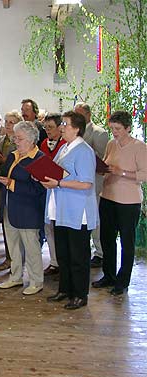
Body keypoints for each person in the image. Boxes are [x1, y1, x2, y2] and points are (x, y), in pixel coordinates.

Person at [41, 111, 98, 310]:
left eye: (65, 124)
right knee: (63, 254)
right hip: (61, 208)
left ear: (76, 128)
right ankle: (65, 289)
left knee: (78, 256)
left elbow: (86, 184)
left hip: (77, 210)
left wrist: (58, 182)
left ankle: (80, 294)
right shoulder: (64, 147)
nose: (61, 127)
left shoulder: (84, 150)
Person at [92, 111, 147, 295]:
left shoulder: (139, 147)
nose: (114, 132)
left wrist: (121, 172)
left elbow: (144, 175)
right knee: (107, 239)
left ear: (128, 128)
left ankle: (123, 281)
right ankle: (109, 275)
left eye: (118, 129)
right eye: (112, 128)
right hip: (108, 196)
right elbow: (107, 165)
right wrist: (102, 169)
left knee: (126, 241)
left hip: (128, 201)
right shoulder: (110, 144)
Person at [0, 121, 46, 295]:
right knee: (13, 246)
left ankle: (36, 281)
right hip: (9, 207)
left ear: (32, 140)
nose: (15, 141)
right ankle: (15, 277)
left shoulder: (39, 159)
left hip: (28, 210)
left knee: (31, 248)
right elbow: (3, 176)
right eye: (14, 137)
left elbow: (38, 189)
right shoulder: (13, 155)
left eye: (19, 138)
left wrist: (12, 184)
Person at [74, 102, 110, 268]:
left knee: (95, 219)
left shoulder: (99, 132)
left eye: (80, 114)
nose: (77, 118)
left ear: (88, 115)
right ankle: (86, 249)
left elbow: (102, 159)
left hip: (94, 181)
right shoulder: (75, 132)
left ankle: (100, 252)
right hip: (77, 183)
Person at [0, 110, 22, 270]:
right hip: (0, 185)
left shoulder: (21, 142)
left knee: (17, 225)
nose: (8, 125)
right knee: (4, 222)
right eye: (6, 121)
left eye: (11, 122)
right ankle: (8, 256)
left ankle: (18, 258)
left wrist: (6, 161)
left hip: (16, 186)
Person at [39, 113, 66, 276]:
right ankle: (54, 261)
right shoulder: (43, 143)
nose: (47, 130)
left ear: (60, 128)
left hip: (62, 189)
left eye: (51, 127)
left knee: (60, 227)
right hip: (46, 189)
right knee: (48, 227)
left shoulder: (65, 144)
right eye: (46, 127)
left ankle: (63, 261)